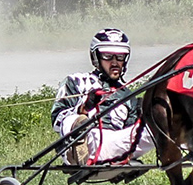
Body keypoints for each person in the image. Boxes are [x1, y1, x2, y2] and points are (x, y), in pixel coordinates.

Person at [53, 28, 152, 166]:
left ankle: (189, 143)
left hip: (113, 147)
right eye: (108, 56)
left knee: (151, 131)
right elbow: (57, 121)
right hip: (86, 141)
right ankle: (79, 148)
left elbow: (129, 133)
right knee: (74, 120)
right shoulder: (76, 81)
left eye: (120, 57)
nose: (115, 63)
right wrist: (84, 108)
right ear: (96, 57)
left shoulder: (128, 95)